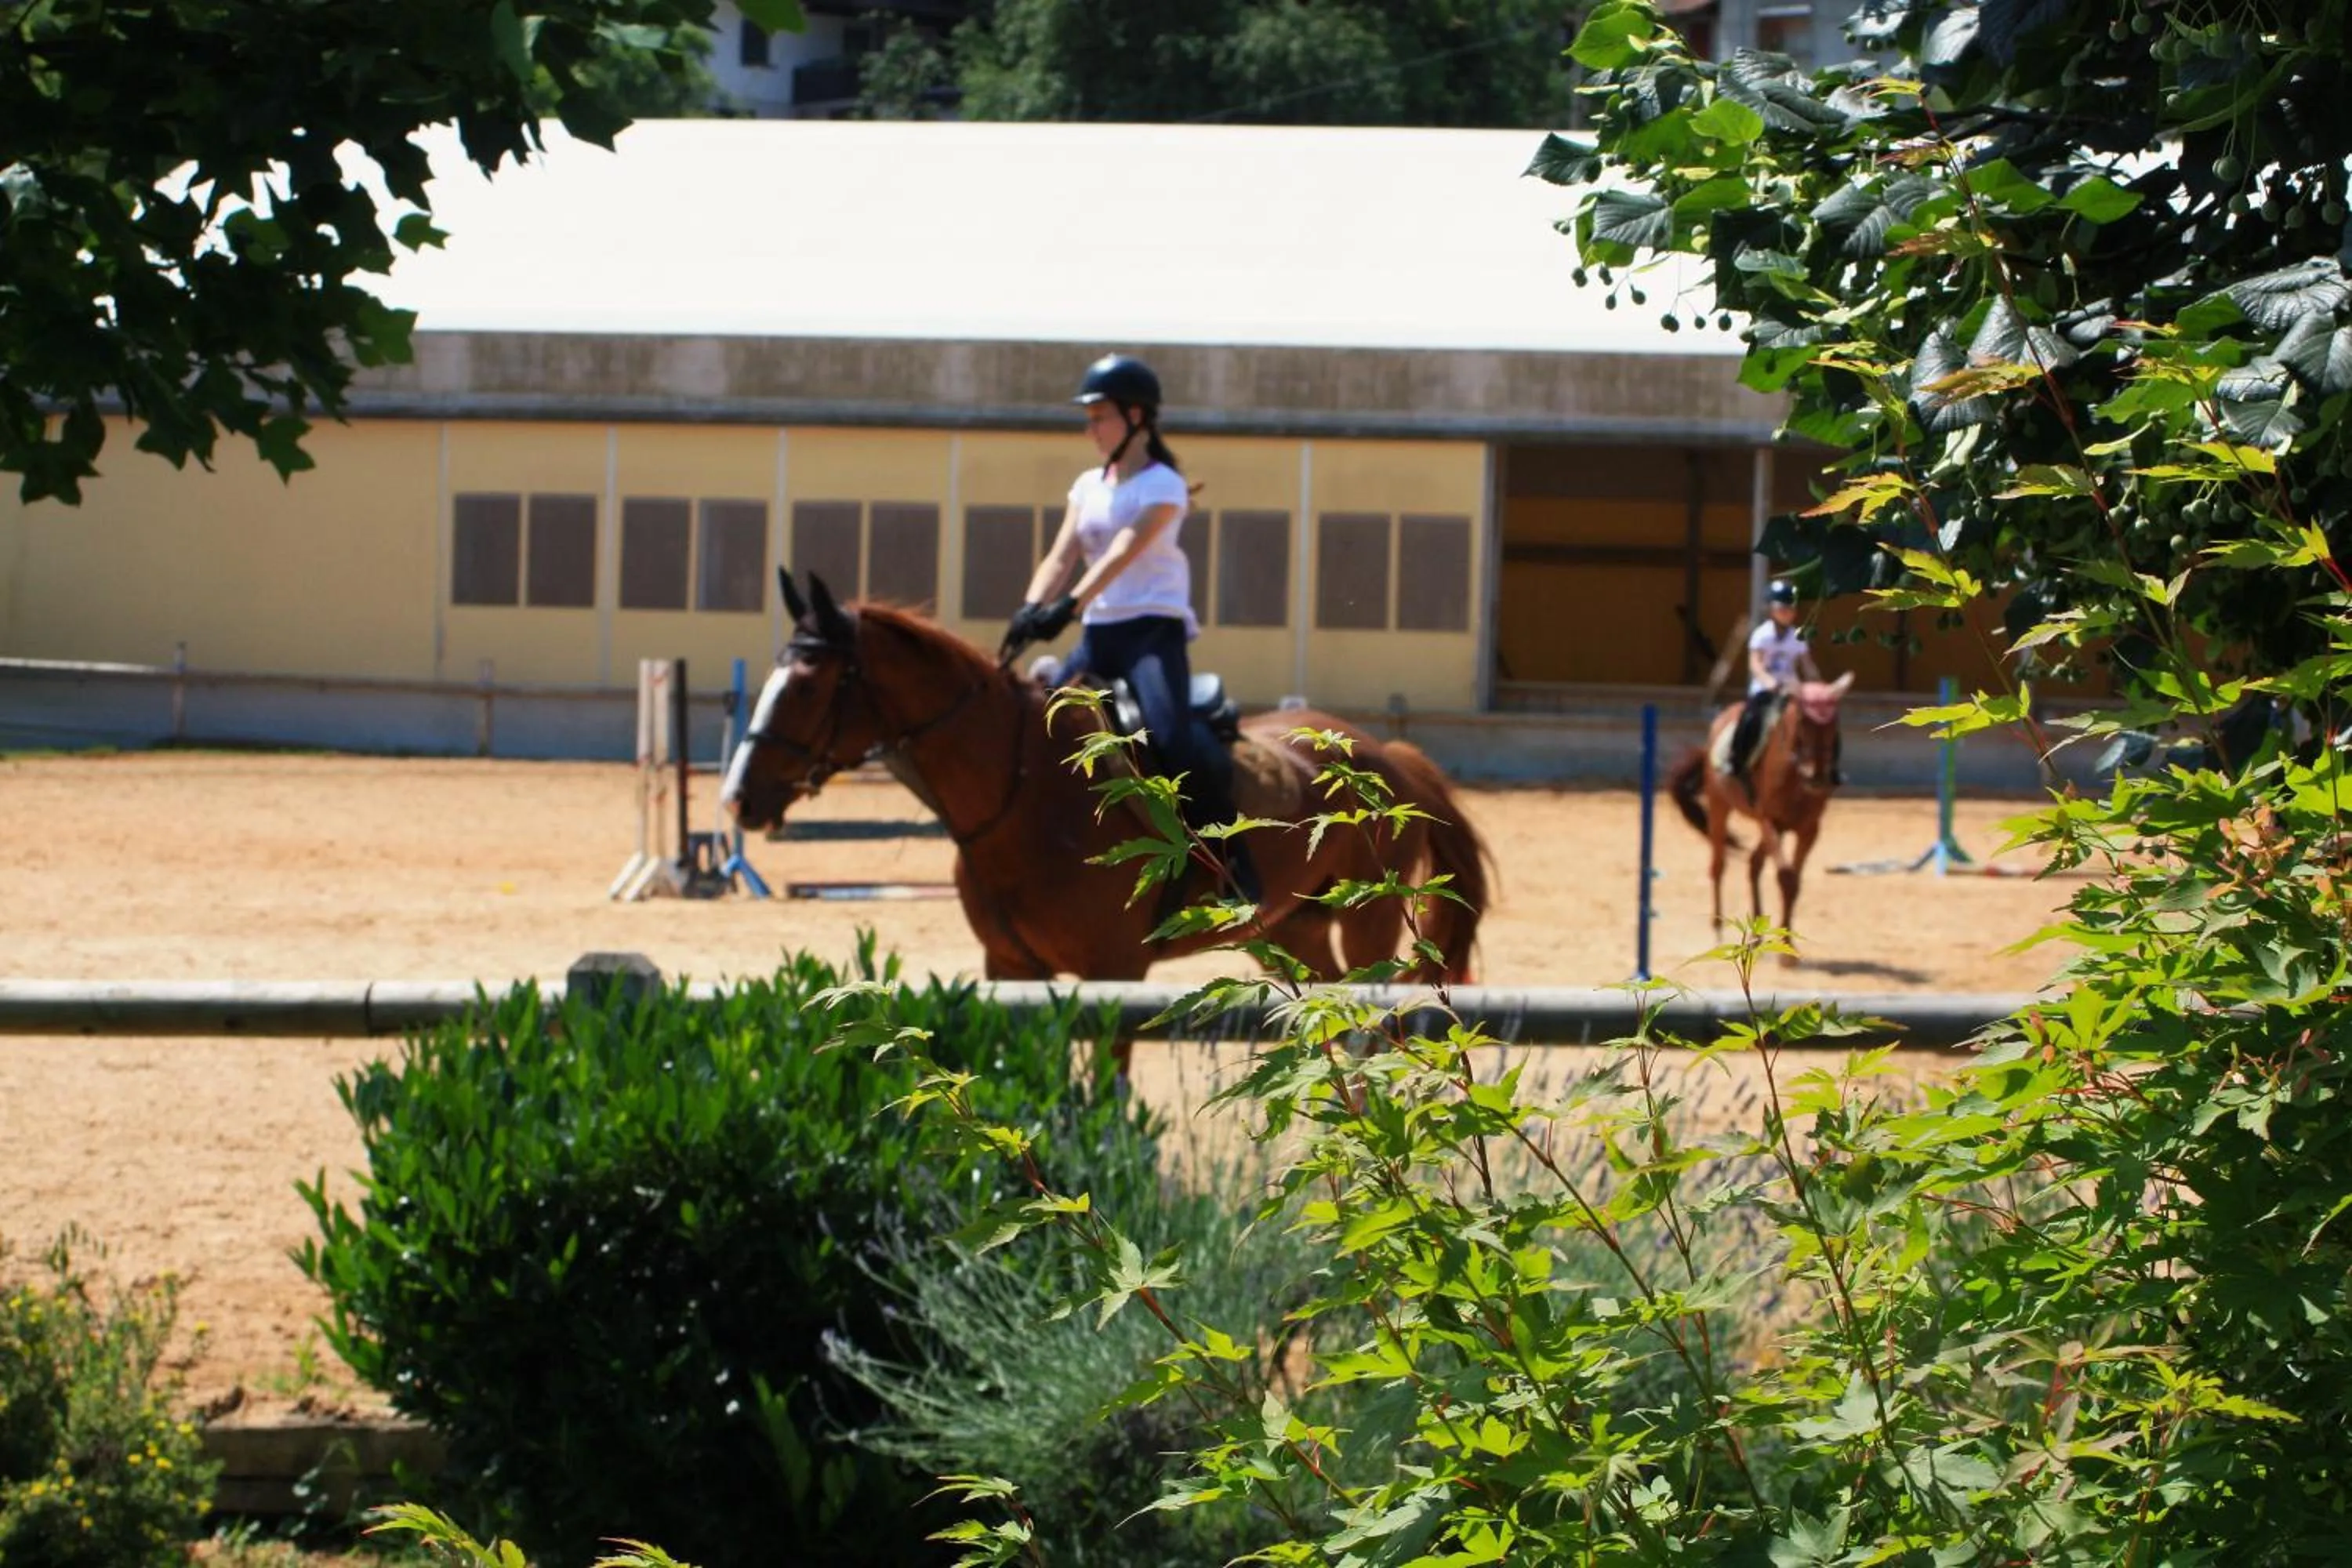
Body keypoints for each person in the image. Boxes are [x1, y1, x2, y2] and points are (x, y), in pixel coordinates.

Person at [1000, 354, 1259, 901]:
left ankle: (1230, 862)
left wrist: (1065, 606)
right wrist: (1029, 609)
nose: (1090, 428)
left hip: (1151, 636)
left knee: (1171, 741)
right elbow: (1062, 552)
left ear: (1137, 417)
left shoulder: (1162, 486)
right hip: (1098, 637)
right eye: (1089, 418)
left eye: (1100, 417)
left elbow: (1122, 552)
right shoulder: (1087, 486)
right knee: (1035, 730)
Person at [1730, 578, 1823, 784]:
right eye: (1782, 608)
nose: (1787, 612)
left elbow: (1807, 665)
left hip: (1792, 691)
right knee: (1750, 719)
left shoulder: (1798, 635)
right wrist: (1770, 682)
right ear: (1771, 610)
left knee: (1822, 721)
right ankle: (1737, 761)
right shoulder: (1761, 635)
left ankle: (1829, 767)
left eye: (1791, 608)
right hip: (1765, 691)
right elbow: (1755, 664)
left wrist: (1818, 685)